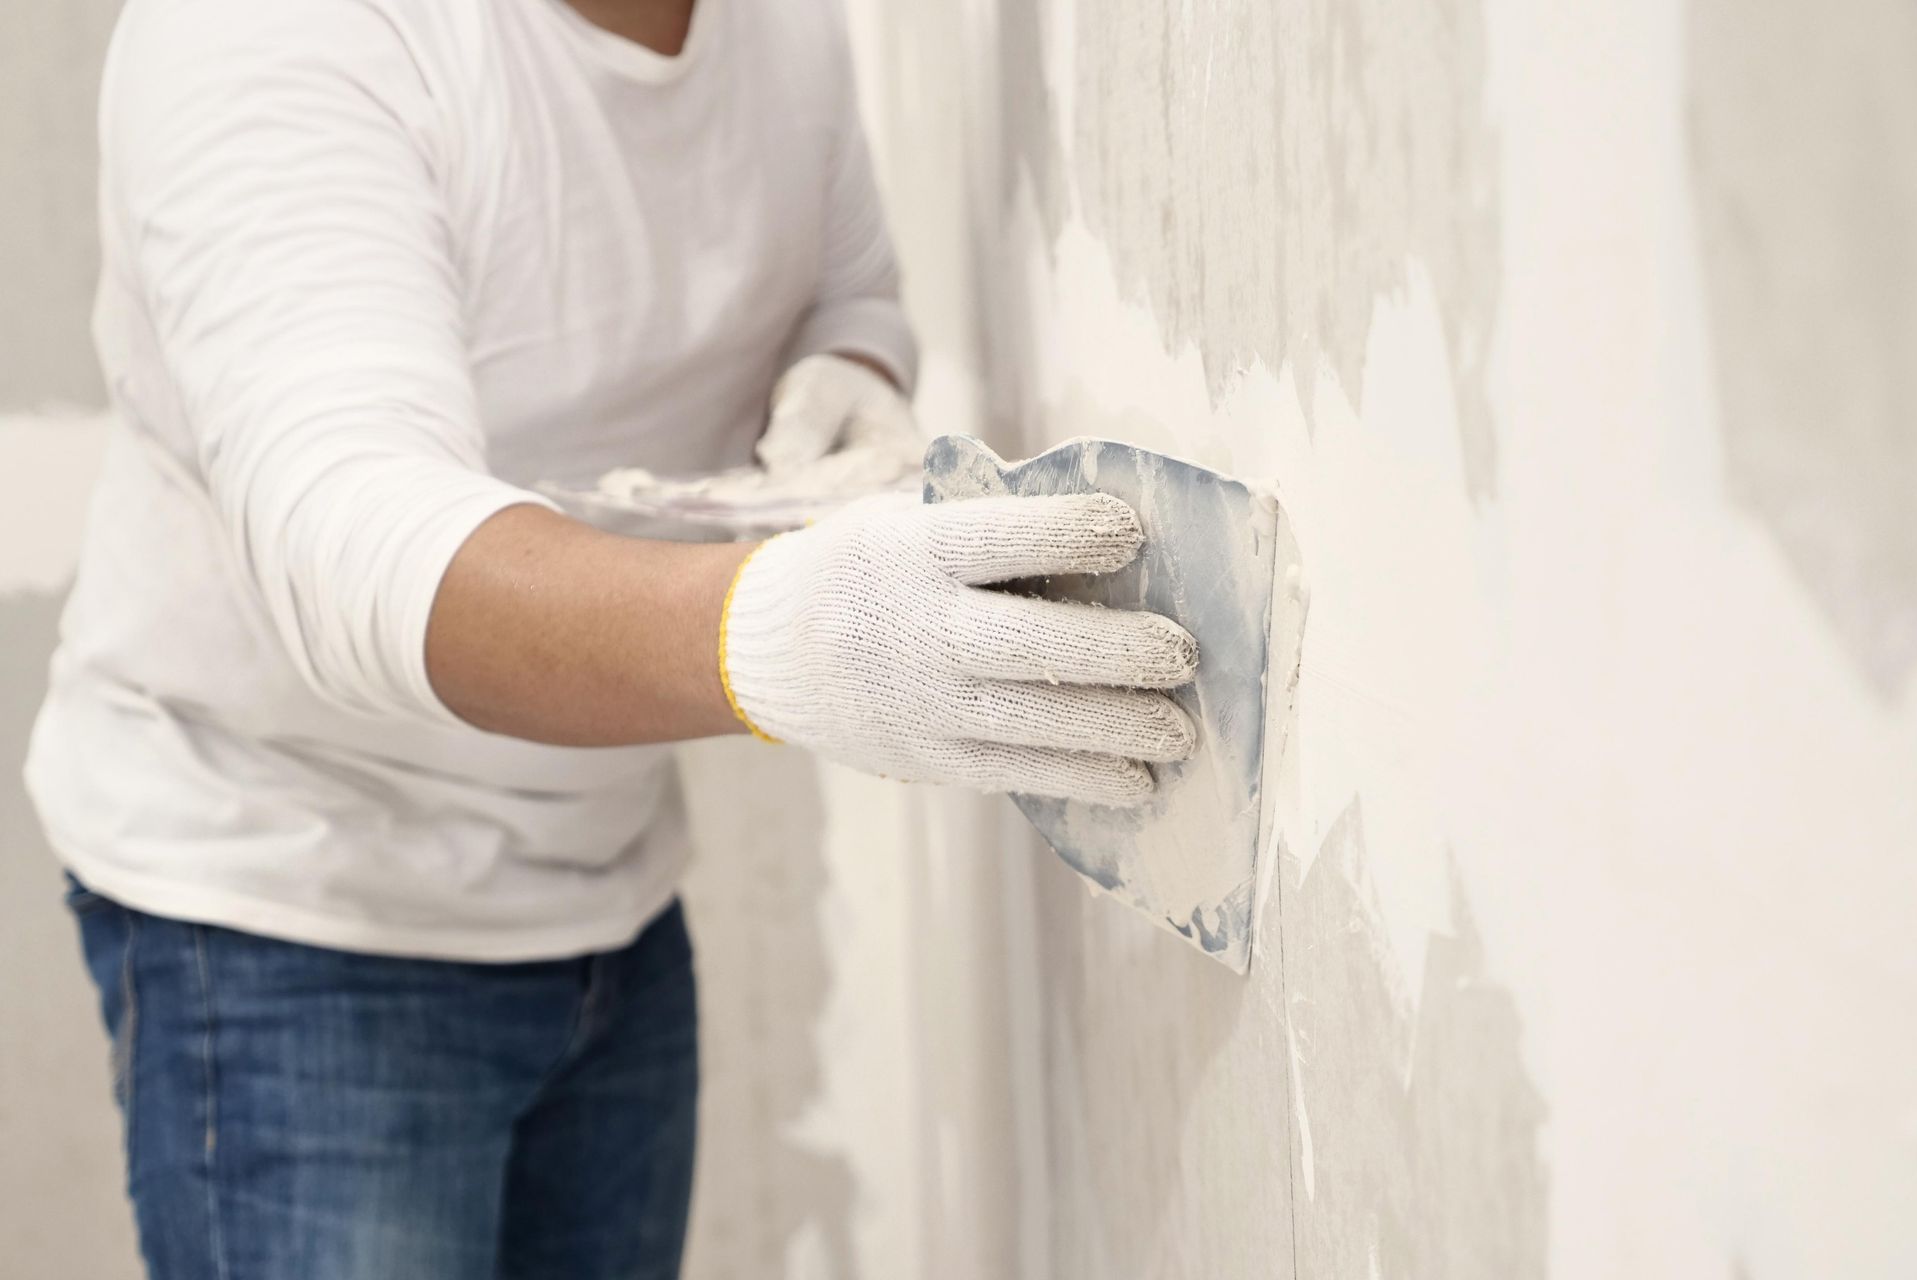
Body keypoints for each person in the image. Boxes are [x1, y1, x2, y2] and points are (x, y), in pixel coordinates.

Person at [24, 0, 1198, 1275]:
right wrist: (786, 633)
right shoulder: (282, 33)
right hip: (293, 907)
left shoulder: (775, 26)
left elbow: (841, 287)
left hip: (606, 891)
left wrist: (849, 371)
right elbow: (349, 545)